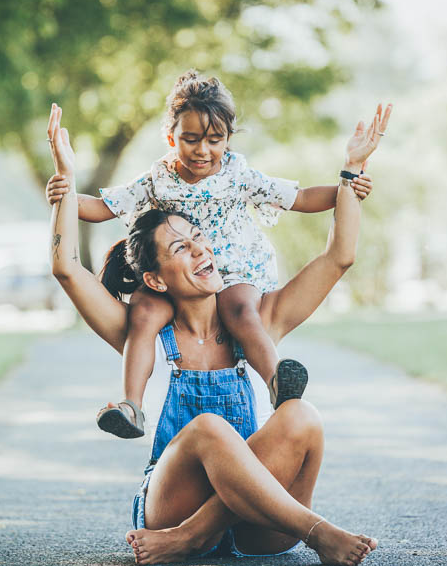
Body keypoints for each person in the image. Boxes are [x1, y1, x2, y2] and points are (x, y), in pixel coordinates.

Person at [45, 101, 391, 565]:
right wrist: (66, 185)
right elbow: (66, 267)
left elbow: (338, 258)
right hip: (169, 505)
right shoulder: (140, 333)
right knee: (209, 428)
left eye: (198, 238)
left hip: (255, 523)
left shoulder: (257, 322)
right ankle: (317, 531)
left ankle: (196, 535)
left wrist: (350, 172)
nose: (201, 251)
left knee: (301, 414)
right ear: (155, 279)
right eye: (180, 248)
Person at [44, 70, 377, 439]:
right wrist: (66, 190)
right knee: (143, 314)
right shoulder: (157, 179)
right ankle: (132, 406)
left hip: (234, 270)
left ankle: (277, 384)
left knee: (240, 312)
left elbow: (299, 199)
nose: (203, 151)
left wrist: (348, 183)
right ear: (171, 137)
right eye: (190, 140)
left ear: (228, 139)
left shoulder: (239, 175)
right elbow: (105, 208)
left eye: (215, 140)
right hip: (173, 281)